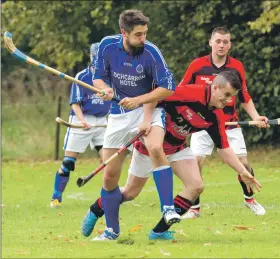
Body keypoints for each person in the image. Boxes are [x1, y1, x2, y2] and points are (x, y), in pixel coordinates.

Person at [82, 70, 262, 241]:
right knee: (130, 193)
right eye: (227, 94)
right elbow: (155, 96)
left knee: (196, 185)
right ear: (215, 87)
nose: (229, 101)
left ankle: (158, 232)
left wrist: (242, 171)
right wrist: (146, 121)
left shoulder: (216, 116)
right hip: (151, 146)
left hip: (177, 148)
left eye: (232, 97)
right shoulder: (190, 93)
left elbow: (224, 148)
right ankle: (97, 208)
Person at [86, 9, 180, 241]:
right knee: (109, 176)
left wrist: (139, 102)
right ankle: (111, 231)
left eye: (145, 33)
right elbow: (98, 76)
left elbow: (167, 87)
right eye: (138, 35)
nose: (143, 39)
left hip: (148, 107)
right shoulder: (107, 46)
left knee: (155, 147)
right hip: (119, 114)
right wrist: (105, 89)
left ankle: (168, 208)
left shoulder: (151, 52)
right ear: (124, 33)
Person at [180, 27, 268, 219]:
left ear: (230, 45)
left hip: (229, 124)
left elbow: (244, 96)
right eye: (218, 41)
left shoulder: (237, 66)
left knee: (243, 163)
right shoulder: (197, 65)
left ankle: (249, 199)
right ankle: (194, 209)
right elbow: (182, 91)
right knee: (195, 163)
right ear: (210, 42)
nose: (221, 45)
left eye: (225, 42)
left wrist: (255, 117)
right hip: (201, 124)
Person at [50, 43, 111, 208]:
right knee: (69, 162)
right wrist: (82, 120)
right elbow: (75, 103)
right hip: (81, 120)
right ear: (91, 57)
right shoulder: (82, 76)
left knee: (109, 162)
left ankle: (108, 197)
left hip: (102, 122)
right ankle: (56, 197)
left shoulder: (110, 76)